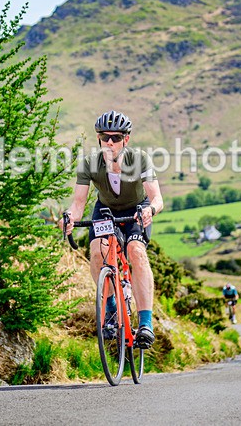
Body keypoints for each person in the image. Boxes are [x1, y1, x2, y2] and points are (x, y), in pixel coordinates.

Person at [58, 110, 164, 349]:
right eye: (105, 137)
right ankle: (110, 308)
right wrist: (69, 218)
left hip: (137, 209)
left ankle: (146, 324)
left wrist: (151, 211)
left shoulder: (139, 159)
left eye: (115, 138)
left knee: (136, 251)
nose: (109, 142)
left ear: (126, 139)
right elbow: (78, 204)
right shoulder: (89, 163)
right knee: (97, 252)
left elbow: (157, 197)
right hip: (105, 210)